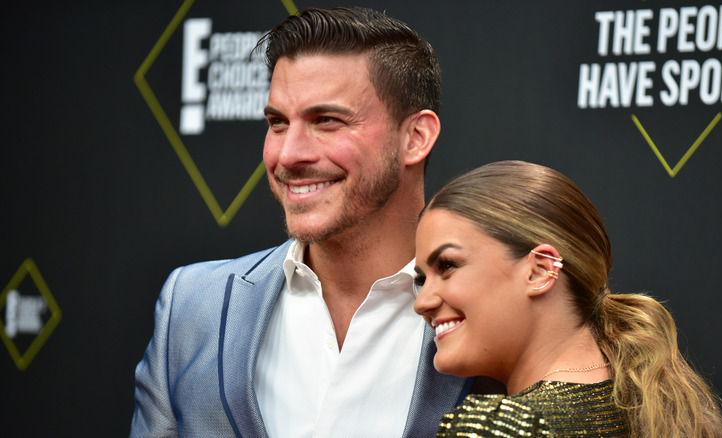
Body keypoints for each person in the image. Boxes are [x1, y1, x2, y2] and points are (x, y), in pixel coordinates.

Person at [130, 7, 475, 438]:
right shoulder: (192, 306)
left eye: (326, 121)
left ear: (416, 137)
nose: (289, 155)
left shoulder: (489, 309)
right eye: (277, 123)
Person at [413, 160, 722, 437]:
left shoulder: (498, 427)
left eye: (448, 266)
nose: (422, 302)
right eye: (421, 279)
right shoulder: (648, 410)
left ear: (540, 271)